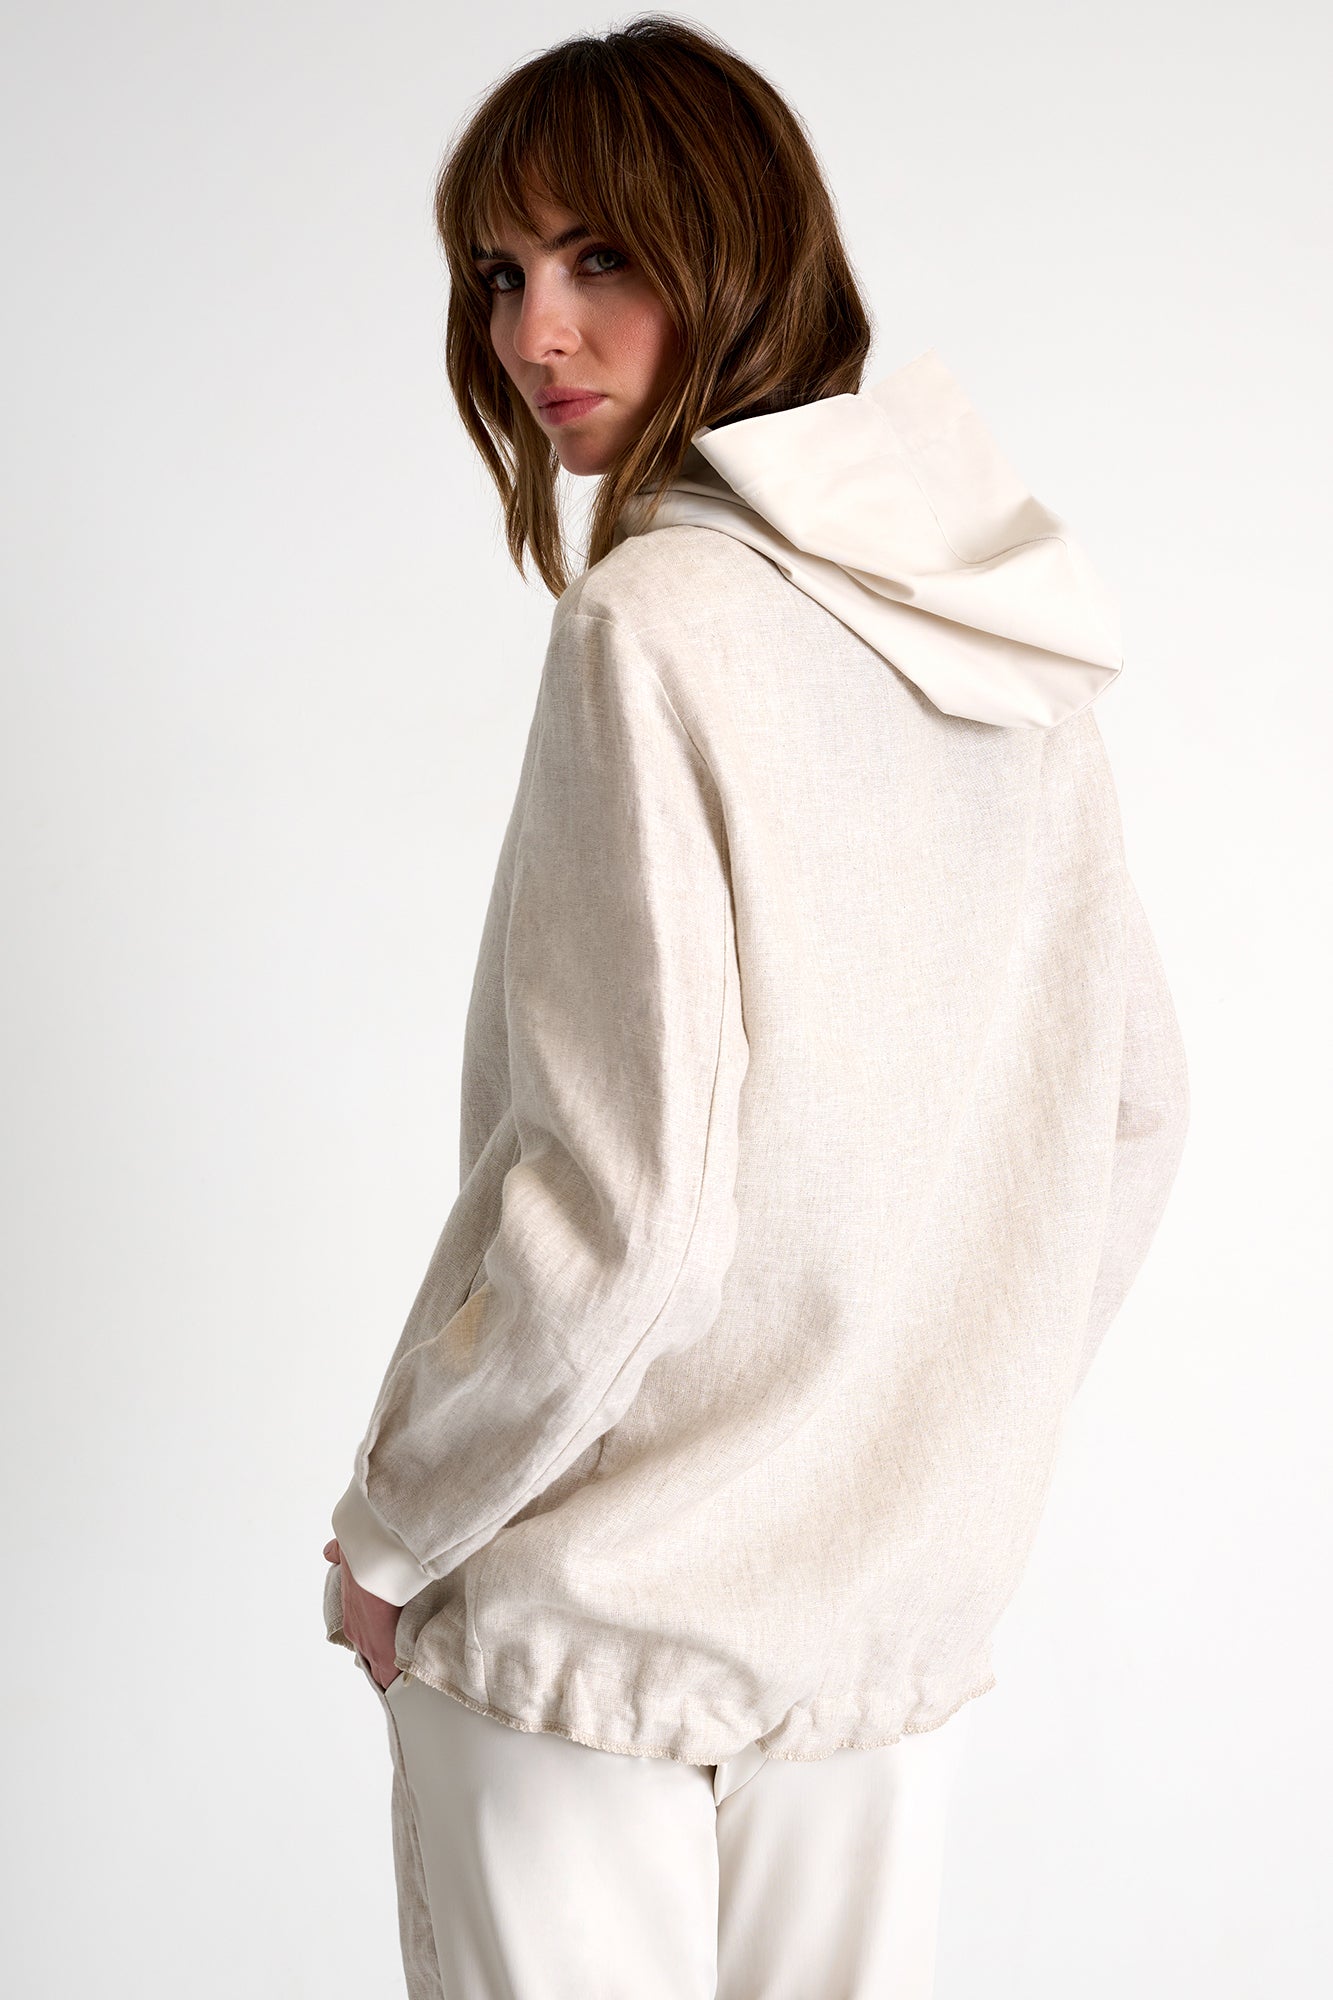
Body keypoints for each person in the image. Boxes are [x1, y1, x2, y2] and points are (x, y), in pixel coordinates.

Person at [320, 17, 1190, 1999]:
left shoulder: (652, 624)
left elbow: (622, 1212)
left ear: (733, 250)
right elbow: (1131, 1109)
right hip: (876, 1632)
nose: (536, 331)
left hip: (586, 1627)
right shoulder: (1006, 631)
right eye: (498, 274)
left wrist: (393, 1531)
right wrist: (919, 1437)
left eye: (600, 257)